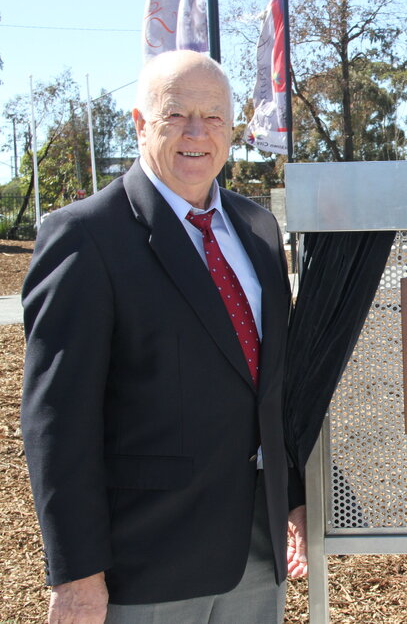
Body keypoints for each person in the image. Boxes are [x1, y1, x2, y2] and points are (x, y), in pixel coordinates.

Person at [21, 50, 307, 623]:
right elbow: (58, 418)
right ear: (138, 123)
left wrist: (293, 492)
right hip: (145, 565)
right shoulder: (86, 237)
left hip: (257, 553)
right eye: (176, 116)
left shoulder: (257, 229)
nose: (197, 134)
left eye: (214, 117)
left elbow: (273, 382)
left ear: (234, 127)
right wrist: (77, 573)